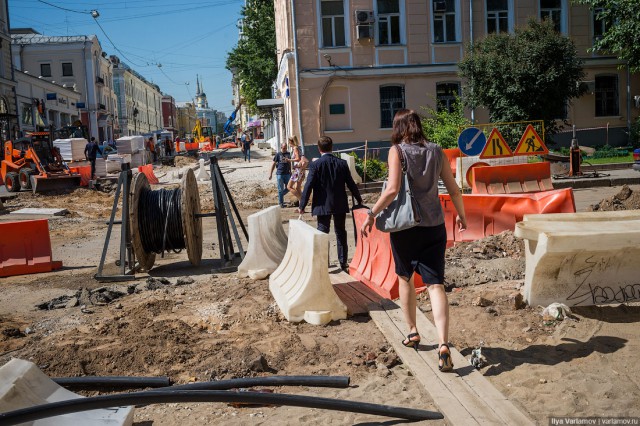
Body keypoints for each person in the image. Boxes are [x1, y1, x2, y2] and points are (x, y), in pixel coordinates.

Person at [360, 109, 467, 372]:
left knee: (405, 277)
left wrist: (371, 214)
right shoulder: (436, 150)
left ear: (398, 128)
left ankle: (412, 332)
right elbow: (453, 188)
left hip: (406, 227)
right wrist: (462, 216)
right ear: (418, 126)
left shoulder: (397, 151)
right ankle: (443, 344)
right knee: (435, 285)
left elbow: (393, 189)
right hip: (434, 226)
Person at [298, 136, 363, 272]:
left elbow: (308, 186)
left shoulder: (315, 165)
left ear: (318, 148)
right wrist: (359, 199)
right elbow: (351, 184)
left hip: (322, 205)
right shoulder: (342, 163)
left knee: (322, 234)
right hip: (339, 203)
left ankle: (323, 265)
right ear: (332, 147)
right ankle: (343, 263)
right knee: (341, 232)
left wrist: (302, 205)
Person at [286, 135, 308, 205]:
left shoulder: (295, 148)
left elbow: (298, 159)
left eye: (289, 142)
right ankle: (301, 205)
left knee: (289, 186)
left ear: (291, 142)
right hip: (301, 170)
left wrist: (289, 160)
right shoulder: (298, 148)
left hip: (297, 171)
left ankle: (301, 200)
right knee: (297, 187)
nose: (289, 143)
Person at [269, 142, 291, 208]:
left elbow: (289, 162)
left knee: (289, 187)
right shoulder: (278, 154)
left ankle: (280, 196)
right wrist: (270, 174)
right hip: (280, 174)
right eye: (283, 148)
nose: (284, 149)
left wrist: (290, 170)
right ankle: (281, 203)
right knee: (280, 189)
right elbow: (273, 164)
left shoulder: (288, 153)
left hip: (287, 173)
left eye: (286, 148)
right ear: (281, 147)